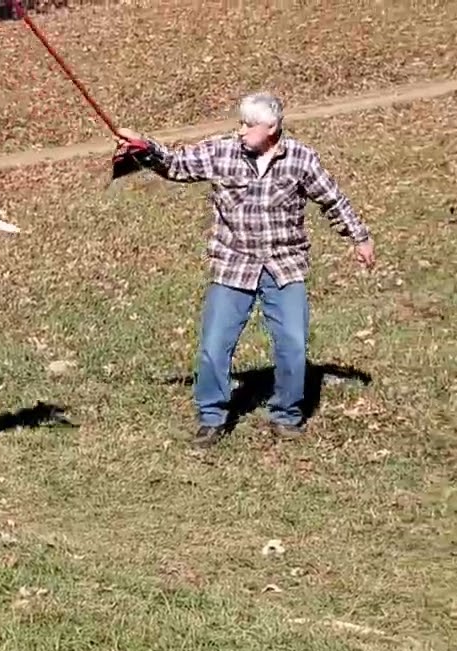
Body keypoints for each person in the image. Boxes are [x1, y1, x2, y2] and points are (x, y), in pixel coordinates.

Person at [117, 91, 374, 448]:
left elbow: (331, 199)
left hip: (284, 265)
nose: (240, 131)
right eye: (239, 123)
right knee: (214, 345)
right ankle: (212, 417)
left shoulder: (301, 158)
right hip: (233, 264)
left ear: (271, 127)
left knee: (293, 345)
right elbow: (177, 164)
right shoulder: (222, 151)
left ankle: (286, 414)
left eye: (248, 125)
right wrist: (146, 148)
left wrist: (359, 237)